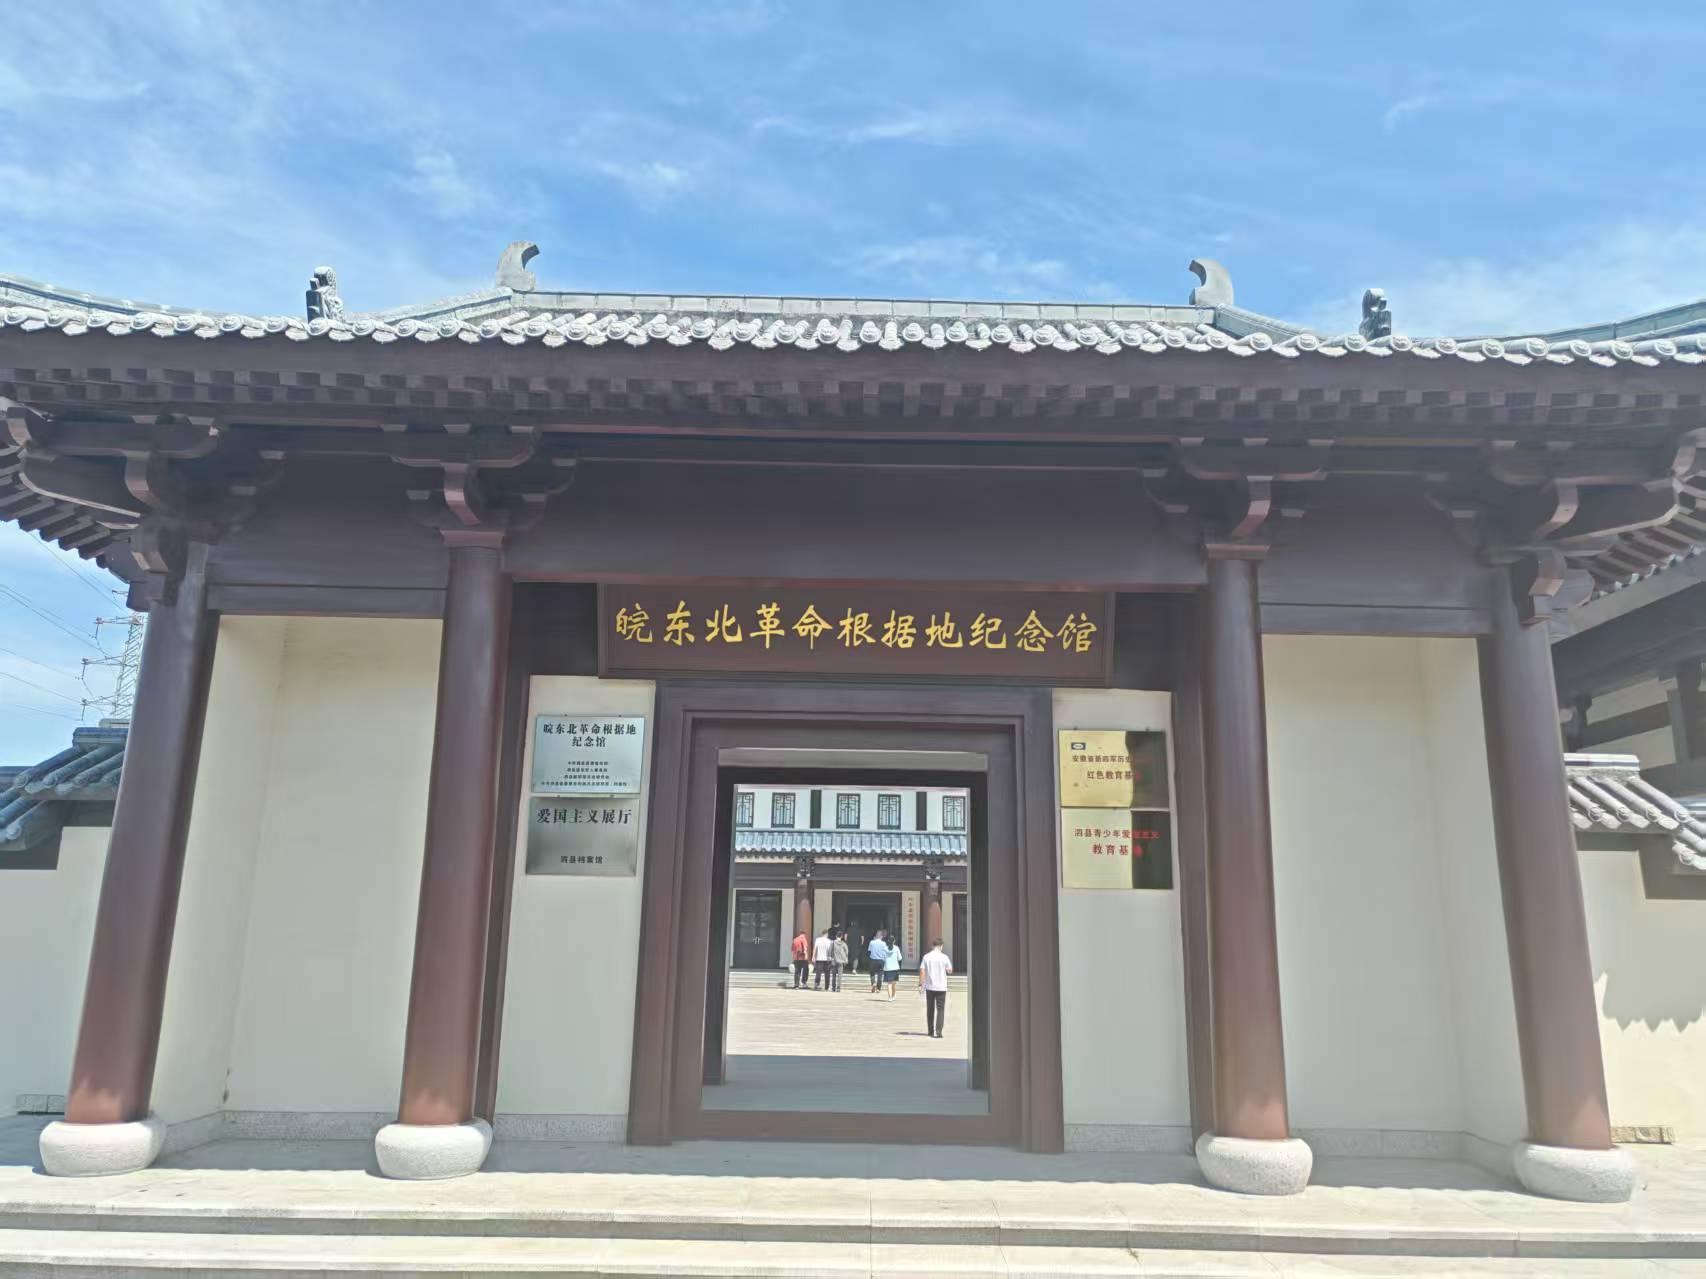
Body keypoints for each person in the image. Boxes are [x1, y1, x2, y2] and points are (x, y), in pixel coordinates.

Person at [918, 938, 953, 1037]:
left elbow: (922, 971)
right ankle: (939, 1032)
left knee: (930, 1009)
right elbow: (950, 970)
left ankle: (930, 1031)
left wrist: (921, 984)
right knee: (940, 1009)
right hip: (941, 987)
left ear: (932, 946)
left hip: (930, 987)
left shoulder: (926, 957)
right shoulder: (944, 957)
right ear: (941, 946)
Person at [883, 933, 904, 999]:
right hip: (895, 968)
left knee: (889, 983)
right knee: (894, 983)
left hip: (887, 968)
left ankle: (889, 998)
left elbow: (883, 958)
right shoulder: (896, 948)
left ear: (887, 940)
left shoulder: (885, 948)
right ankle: (893, 996)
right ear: (894, 941)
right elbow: (900, 958)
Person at [831, 928, 849, 992]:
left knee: (834, 975)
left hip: (834, 960)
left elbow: (830, 951)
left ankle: (833, 987)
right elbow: (846, 952)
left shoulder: (833, 942)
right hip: (841, 961)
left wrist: (831, 957)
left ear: (836, 936)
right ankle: (838, 988)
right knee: (840, 975)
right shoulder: (844, 943)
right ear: (841, 936)